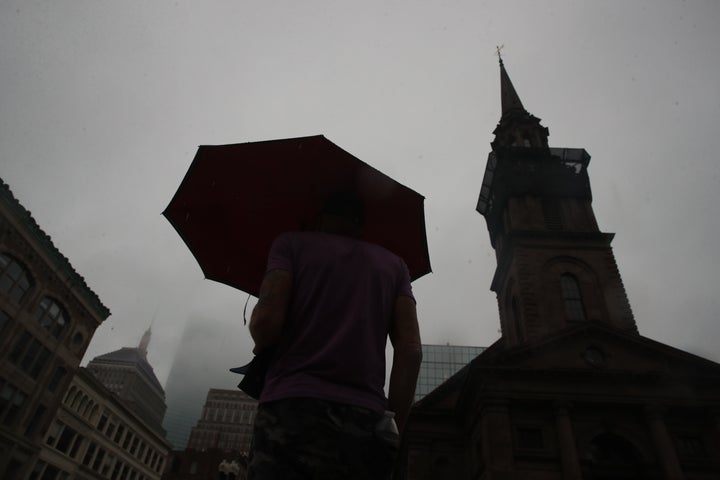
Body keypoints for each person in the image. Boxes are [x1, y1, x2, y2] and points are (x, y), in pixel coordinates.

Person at [247, 193, 423, 480]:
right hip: (364, 420)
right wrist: (394, 425)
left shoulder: (290, 245)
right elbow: (411, 350)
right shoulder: (395, 266)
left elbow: (266, 325)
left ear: (321, 217)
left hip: (290, 408)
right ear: (359, 225)